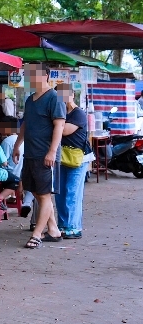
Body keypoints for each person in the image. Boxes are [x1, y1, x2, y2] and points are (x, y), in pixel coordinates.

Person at [12, 63, 65, 249]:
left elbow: (59, 126)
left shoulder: (55, 98)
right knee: (34, 191)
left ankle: (37, 234)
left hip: (46, 155)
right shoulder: (30, 100)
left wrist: (52, 151)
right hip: (30, 153)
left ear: (46, 76)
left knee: (44, 195)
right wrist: (17, 145)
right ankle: (53, 229)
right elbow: (26, 124)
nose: (30, 78)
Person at [56, 83, 90, 240]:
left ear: (72, 95)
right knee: (60, 192)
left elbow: (63, 130)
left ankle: (73, 227)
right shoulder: (61, 112)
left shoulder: (78, 114)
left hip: (78, 158)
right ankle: (63, 224)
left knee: (72, 192)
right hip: (62, 157)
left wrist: (54, 125)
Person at [0, 116, 31, 211]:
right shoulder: (22, 139)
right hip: (22, 173)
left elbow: (3, 162)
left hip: (13, 174)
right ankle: (11, 195)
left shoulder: (7, 141)